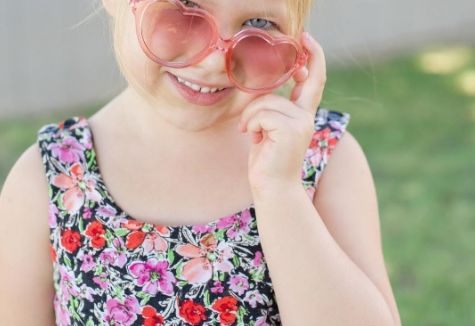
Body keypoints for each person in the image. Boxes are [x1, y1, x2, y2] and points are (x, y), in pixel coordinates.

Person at [0, 0, 402, 325]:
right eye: (184, 8)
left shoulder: (324, 160)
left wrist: (281, 191)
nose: (214, 61)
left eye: (259, 23)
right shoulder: (47, 179)